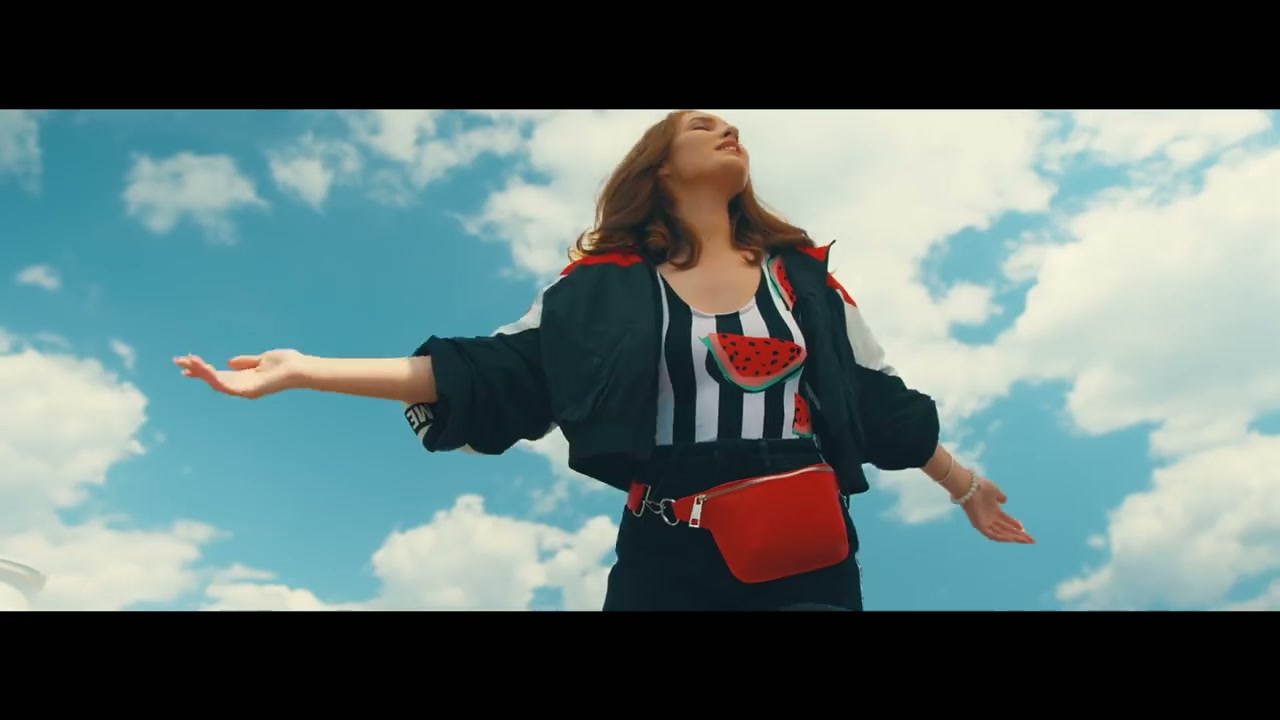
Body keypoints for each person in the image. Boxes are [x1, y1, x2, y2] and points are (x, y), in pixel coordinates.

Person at [175, 110, 1034, 611]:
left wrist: (964, 486)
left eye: (731, 125)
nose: (728, 128)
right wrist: (305, 368)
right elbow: (496, 372)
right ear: (658, 167)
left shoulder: (805, 279)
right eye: (701, 124)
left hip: (804, 544)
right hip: (665, 549)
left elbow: (879, 401)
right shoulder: (596, 289)